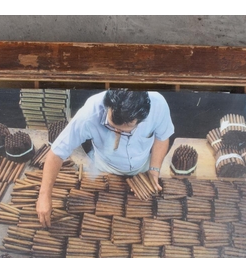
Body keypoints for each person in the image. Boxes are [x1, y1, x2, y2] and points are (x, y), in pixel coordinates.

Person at [36, 89, 174, 227]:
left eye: (126, 130)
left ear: (142, 117)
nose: (117, 134)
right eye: (112, 127)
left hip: (142, 169)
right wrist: (44, 195)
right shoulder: (90, 113)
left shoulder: (158, 104)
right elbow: (57, 152)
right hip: (105, 168)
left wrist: (154, 171)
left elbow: (162, 137)